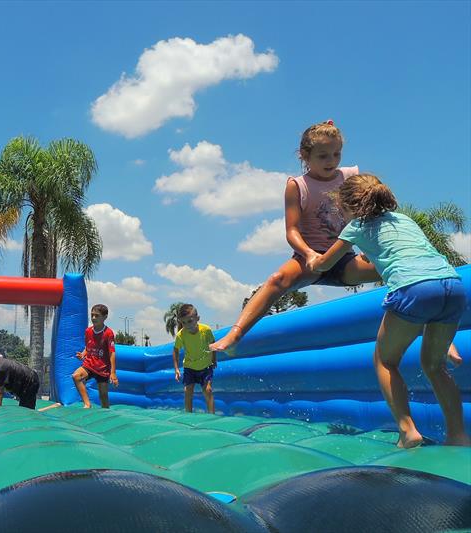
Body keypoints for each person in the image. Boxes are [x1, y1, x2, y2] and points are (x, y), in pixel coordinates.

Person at [309, 174, 469, 448]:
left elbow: (326, 263)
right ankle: (458, 435)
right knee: (434, 365)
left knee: (385, 361)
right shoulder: (403, 220)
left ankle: (407, 431)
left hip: (413, 289)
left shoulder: (356, 226)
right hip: (452, 286)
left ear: (349, 207)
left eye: (342, 210)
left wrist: (313, 261)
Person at [210, 120, 381, 355]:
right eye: (323, 156)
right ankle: (235, 335)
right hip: (308, 259)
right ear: (304, 156)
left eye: (336, 154)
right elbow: (291, 230)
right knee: (277, 279)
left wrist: (370, 248)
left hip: (343, 258)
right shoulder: (297, 186)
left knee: (388, 267)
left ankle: (417, 323)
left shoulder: (350, 177)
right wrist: (310, 254)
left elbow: (370, 213)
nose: (331, 161)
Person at [72, 304, 118, 408]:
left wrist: (113, 373)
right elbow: (88, 347)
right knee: (76, 376)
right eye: (92, 315)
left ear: (105, 317)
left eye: (97, 316)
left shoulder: (108, 333)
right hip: (89, 364)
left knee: (103, 398)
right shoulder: (88, 331)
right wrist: (83, 354)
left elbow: (112, 353)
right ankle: (87, 404)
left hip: (102, 369)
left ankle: (106, 412)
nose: (93, 318)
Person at [173, 304, 217, 413]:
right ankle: (188, 414)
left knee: (208, 390)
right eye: (183, 322)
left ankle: (212, 415)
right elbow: (175, 350)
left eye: (190, 321)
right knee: (188, 391)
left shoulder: (206, 330)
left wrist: (214, 359)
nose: (187, 325)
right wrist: (176, 369)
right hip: (190, 367)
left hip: (205, 366)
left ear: (197, 318)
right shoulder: (181, 335)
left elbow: (212, 343)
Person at [0, 345, 40, 410]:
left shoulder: (1, 368)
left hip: (30, 381)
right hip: (26, 382)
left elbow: (0, 392)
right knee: (23, 407)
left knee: (26, 410)